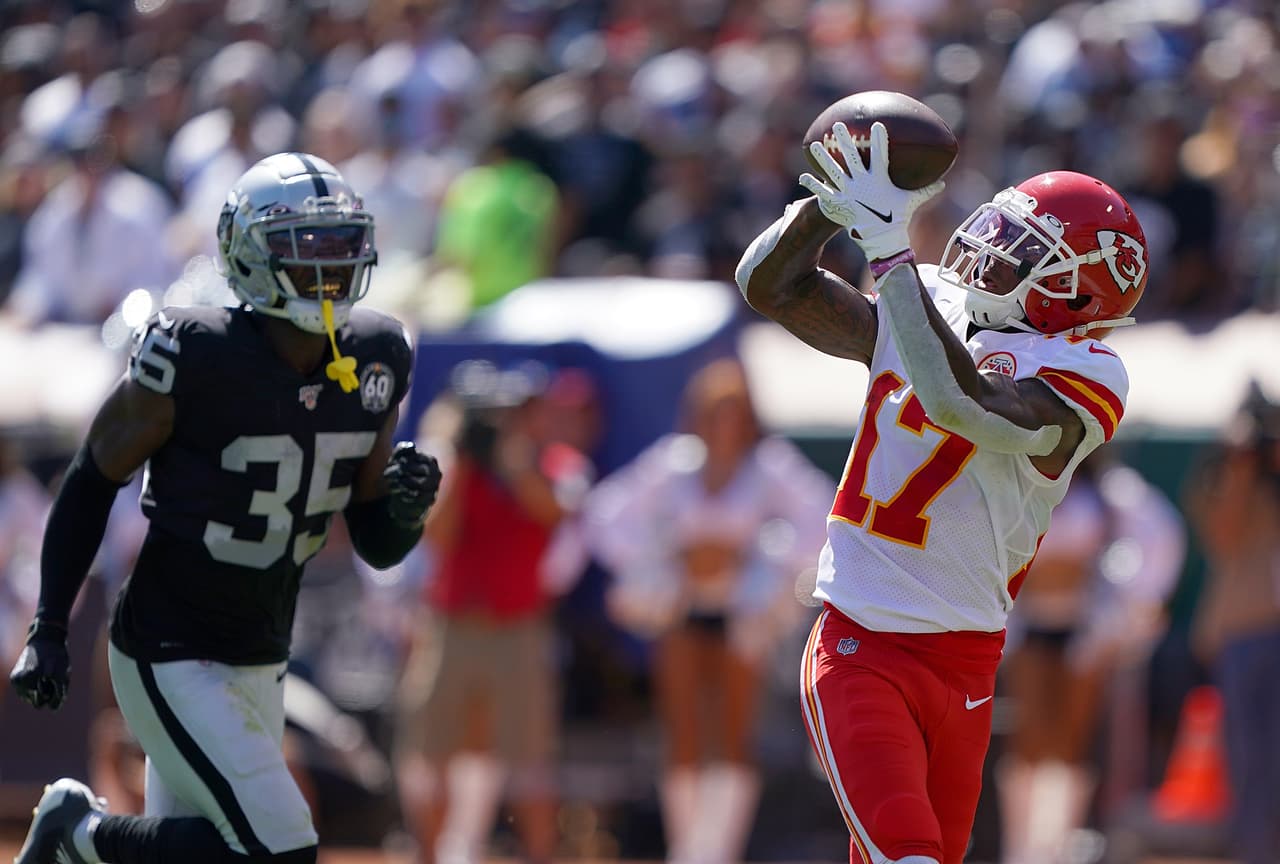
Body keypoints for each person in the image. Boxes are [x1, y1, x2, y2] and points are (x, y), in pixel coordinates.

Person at [8, 152, 442, 864]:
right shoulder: (193, 352)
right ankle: (76, 837)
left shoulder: (375, 354)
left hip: (264, 649)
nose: (328, 265)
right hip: (167, 647)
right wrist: (50, 624)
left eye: (339, 243)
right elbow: (91, 477)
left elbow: (377, 542)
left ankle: (78, 837)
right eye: (306, 245)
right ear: (249, 253)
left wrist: (405, 507)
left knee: (223, 849)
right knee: (283, 847)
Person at [736, 120, 1148, 864]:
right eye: (1002, 230)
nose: (990, 249)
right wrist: (830, 206)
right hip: (862, 640)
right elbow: (768, 285)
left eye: (1027, 250)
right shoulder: (927, 295)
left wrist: (891, 255)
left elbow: (971, 407)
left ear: (1076, 287)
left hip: (968, 661)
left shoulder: (1090, 373)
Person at [583, 356, 834, 864]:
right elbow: (605, 516)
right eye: (714, 411)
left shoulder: (770, 466)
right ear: (695, 414)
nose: (724, 423)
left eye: (734, 411)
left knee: (734, 733)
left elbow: (825, 517)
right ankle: (689, 848)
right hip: (680, 612)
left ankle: (719, 849)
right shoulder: (673, 463)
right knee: (684, 731)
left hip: (744, 616)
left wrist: (751, 555)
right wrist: (671, 556)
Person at [395, 360, 591, 864]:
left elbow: (551, 513)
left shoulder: (551, 465)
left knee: (530, 761)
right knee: (429, 750)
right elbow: (436, 537)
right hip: (451, 625)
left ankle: (540, 854)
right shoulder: (459, 466)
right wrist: (460, 458)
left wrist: (514, 460)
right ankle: (428, 855)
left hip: (518, 629)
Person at [998, 447, 1184, 864]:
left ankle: (1058, 847)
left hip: (1083, 631)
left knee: (1070, 741)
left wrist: (1120, 618)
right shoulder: (1017, 482)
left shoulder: (1110, 492)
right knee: (1028, 739)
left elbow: (1159, 540)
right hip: (1030, 629)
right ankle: (1022, 850)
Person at [1186, 386, 1280, 864]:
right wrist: (1241, 471)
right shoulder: (1219, 478)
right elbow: (1222, 537)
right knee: (1250, 757)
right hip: (1245, 633)